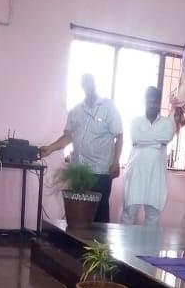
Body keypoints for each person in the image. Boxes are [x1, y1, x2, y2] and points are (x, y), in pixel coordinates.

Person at [40, 74, 123, 223]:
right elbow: (68, 137)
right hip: (79, 172)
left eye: (90, 82)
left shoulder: (108, 107)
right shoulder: (75, 111)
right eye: (84, 83)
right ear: (82, 86)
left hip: (101, 171)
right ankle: (78, 245)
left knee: (100, 214)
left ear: (95, 84)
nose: (88, 85)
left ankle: (100, 246)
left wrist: (116, 162)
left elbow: (119, 136)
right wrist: (51, 148)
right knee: (79, 214)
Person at [121, 87, 175, 226]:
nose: (152, 104)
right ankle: (123, 247)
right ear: (144, 101)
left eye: (155, 101)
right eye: (149, 101)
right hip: (136, 172)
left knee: (153, 216)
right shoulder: (136, 121)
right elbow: (136, 137)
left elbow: (167, 137)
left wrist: (144, 140)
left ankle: (147, 248)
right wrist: (158, 143)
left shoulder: (167, 122)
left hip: (156, 174)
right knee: (129, 213)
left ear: (159, 103)